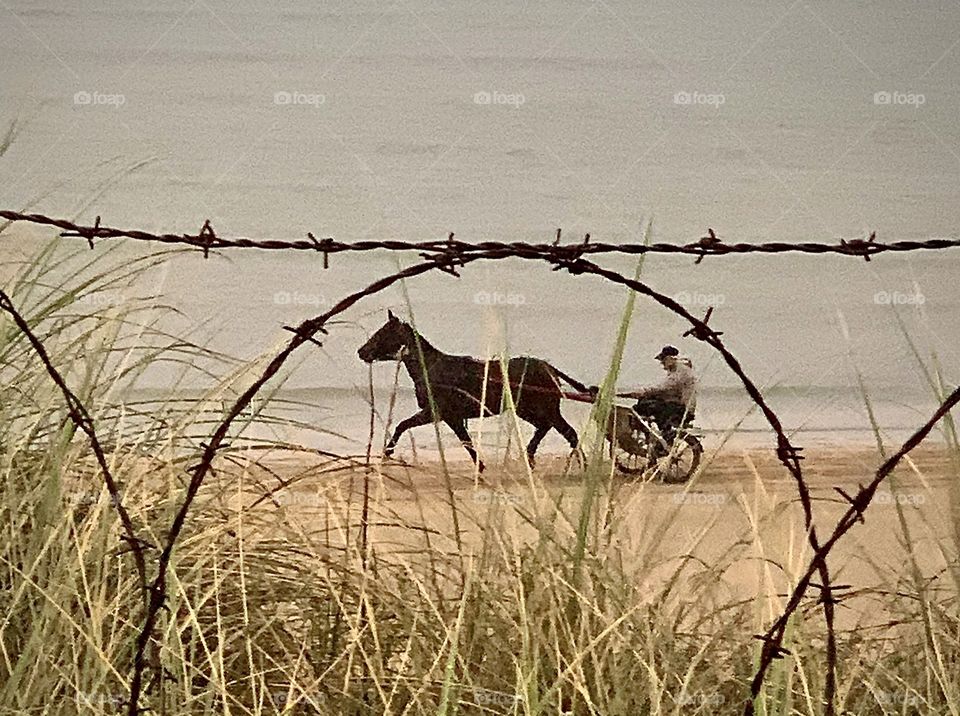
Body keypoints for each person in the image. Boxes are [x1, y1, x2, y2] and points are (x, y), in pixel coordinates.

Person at [616, 345, 697, 452]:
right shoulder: (676, 370)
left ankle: (660, 440)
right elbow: (668, 390)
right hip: (677, 403)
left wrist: (643, 391)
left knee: (645, 406)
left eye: (663, 360)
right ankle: (652, 435)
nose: (662, 363)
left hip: (684, 408)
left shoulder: (682, 371)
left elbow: (664, 387)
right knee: (644, 403)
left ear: (669, 359)